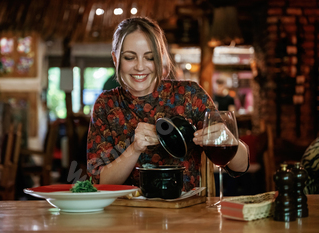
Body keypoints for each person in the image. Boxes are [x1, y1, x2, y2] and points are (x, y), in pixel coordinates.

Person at [86, 16, 249, 192]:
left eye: (149, 58)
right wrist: (134, 149)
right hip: (125, 214)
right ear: (116, 60)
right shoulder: (106, 104)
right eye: (129, 58)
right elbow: (98, 181)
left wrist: (227, 139)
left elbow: (241, 166)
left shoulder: (189, 95)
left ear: (161, 58)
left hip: (186, 214)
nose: (140, 67)